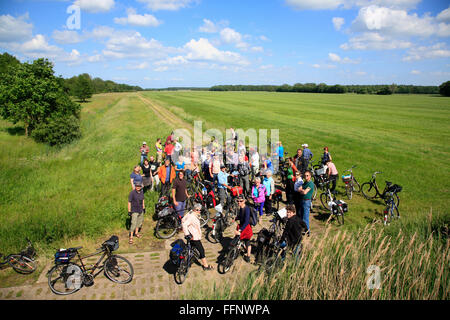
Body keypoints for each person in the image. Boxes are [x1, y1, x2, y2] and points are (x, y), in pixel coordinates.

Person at [182, 203, 214, 270]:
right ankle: (205, 266)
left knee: (191, 249)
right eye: (199, 210)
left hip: (191, 236)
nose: (200, 211)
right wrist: (187, 234)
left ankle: (187, 262)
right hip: (194, 237)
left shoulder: (190, 212)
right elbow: (184, 224)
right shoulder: (192, 217)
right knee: (201, 250)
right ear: (195, 210)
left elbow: (183, 220)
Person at [234, 195, 253, 263]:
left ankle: (248, 256)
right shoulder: (241, 208)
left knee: (247, 241)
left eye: (241, 201)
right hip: (242, 225)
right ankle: (237, 250)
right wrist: (236, 218)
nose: (239, 202)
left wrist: (240, 229)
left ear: (244, 201)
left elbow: (246, 221)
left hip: (246, 227)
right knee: (238, 239)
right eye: (238, 201)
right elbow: (240, 216)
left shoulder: (247, 209)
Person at [298, 170, 314, 236]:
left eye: (307, 175)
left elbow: (304, 192)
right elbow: (299, 189)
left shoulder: (310, 183)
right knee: (301, 216)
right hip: (302, 200)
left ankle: (308, 231)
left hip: (307, 201)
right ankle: (303, 230)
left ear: (310, 176)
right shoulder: (305, 183)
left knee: (305, 217)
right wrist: (302, 190)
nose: (306, 177)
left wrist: (302, 191)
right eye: (305, 175)